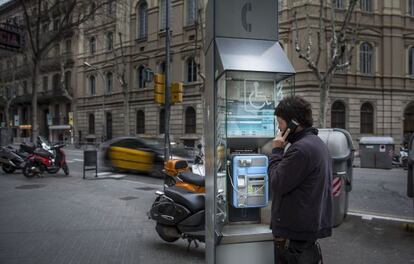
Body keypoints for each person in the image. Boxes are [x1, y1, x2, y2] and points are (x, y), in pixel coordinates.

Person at [268, 96, 333, 264]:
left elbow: (277, 183)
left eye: (280, 122)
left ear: (293, 124)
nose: (278, 127)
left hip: (294, 235)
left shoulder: (301, 150)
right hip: (304, 230)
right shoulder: (316, 143)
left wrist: (276, 151)